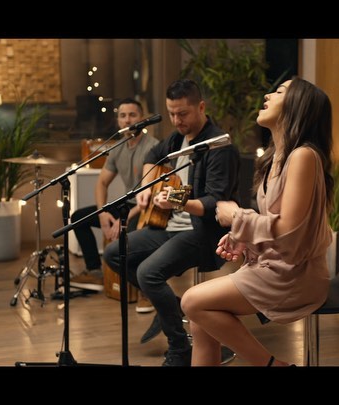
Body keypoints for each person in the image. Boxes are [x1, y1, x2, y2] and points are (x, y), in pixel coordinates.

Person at [180, 77, 334, 366]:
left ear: (298, 105)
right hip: (275, 267)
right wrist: (244, 238)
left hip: (296, 276)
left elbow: (289, 230)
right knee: (200, 320)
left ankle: (273, 365)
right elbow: (275, 224)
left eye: (280, 91)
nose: (268, 95)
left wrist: (237, 217)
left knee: (191, 301)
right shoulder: (276, 159)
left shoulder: (303, 156)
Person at [102, 79, 240, 366]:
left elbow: (215, 201)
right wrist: (147, 187)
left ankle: (179, 349)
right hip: (168, 226)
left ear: (201, 107)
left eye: (183, 114)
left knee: (148, 273)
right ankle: (171, 307)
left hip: (202, 232)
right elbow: (153, 156)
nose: (177, 121)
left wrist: (175, 200)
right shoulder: (177, 139)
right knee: (115, 253)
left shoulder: (219, 146)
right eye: (172, 114)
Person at [70, 98, 159, 307]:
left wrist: (124, 220)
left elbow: (153, 192)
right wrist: (102, 212)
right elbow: (101, 183)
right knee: (78, 218)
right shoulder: (118, 147)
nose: (127, 120)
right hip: (128, 204)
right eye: (123, 116)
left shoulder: (153, 147)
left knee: (133, 238)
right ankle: (95, 271)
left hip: (148, 206)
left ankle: (146, 290)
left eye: (132, 115)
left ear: (142, 118)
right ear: (118, 120)